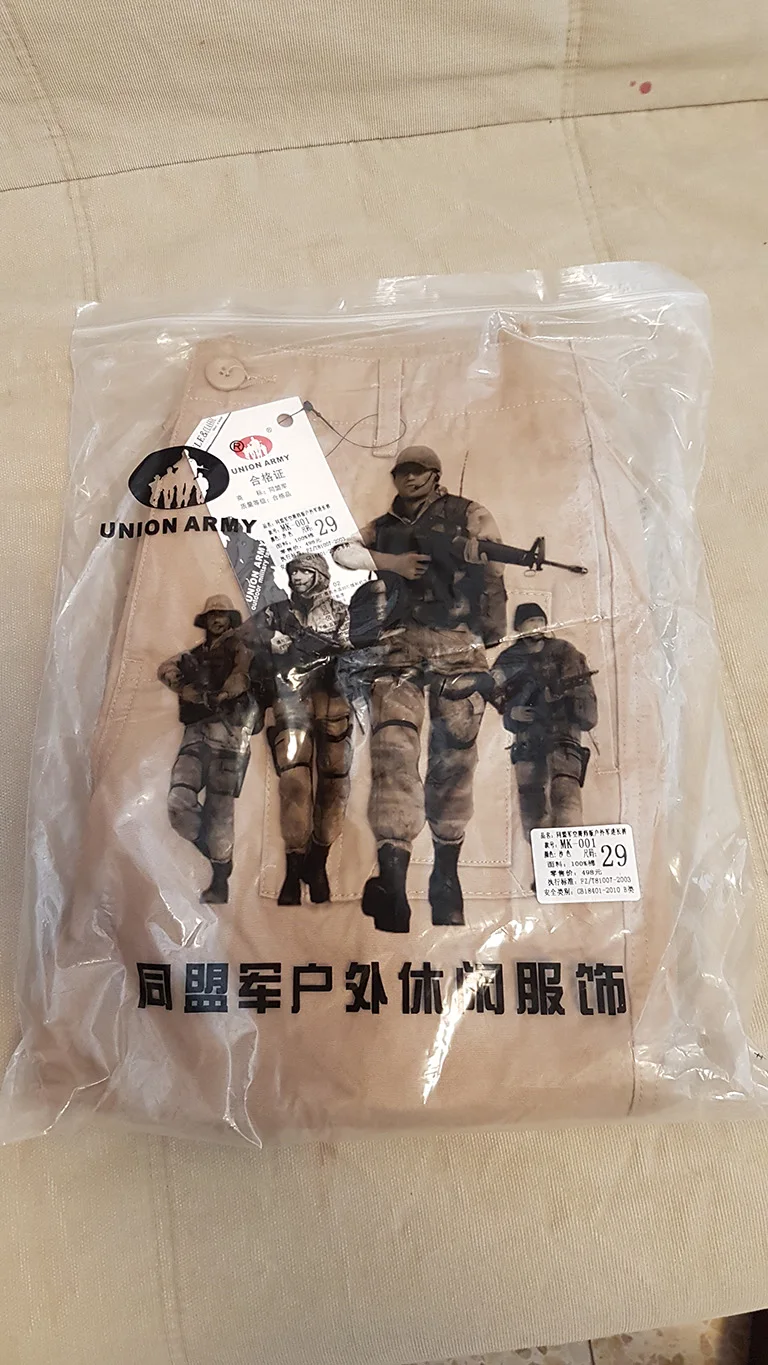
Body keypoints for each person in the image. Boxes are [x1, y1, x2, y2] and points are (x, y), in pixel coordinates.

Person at [333, 445, 529, 933]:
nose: (410, 479)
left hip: (455, 644)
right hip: (397, 646)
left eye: (419, 472)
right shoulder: (384, 525)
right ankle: (394, 884)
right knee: (392, 752)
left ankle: (446, 878)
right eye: (403, 472)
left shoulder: (469, 514)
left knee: (454, 758)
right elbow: (342, 551)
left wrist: (490, 630)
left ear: (436, 476)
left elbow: (494, 570)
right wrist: (391, 563)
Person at [255, 553, 353, 906]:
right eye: (293, 572)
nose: (297, 577)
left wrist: (331, 649)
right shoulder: (276, 612)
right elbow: (248, 637)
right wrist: (270, 640)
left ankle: (319, 862)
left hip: (334, 701)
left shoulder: (341, 613)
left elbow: (355, 648)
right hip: (291, 700)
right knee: (294, 783)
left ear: (319, 575)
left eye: (304, 572)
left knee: (333, 783)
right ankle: (294, 868)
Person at [158, 595, 260, 904]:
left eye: (222, 614)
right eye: (212, 614)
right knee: (178, 803)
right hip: (195, 735)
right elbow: (166, 668)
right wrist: (185, 689)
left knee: (220, 816)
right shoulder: (194, 655)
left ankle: (219, 879)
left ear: (230, 618)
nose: (217, 619)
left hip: (229, 739)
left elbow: (242, 675)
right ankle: (218, 859)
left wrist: (223, 695)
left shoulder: (241, 648)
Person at [492, 602, 598, 845]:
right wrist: (513, 712)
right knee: (532, 805)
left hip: (562, 734)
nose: (537, 627)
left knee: (566, 795)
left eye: (540, 621)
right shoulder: (508, 659)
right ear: (519, 627)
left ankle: (572, 854)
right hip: (528, 738)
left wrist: (560, 699)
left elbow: (582, 691)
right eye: (531, 622)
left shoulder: (564, 651)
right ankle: (541, 861)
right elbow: (494, 691)